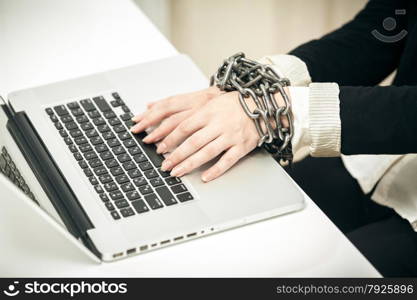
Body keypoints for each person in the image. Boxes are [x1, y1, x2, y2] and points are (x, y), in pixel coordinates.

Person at [131, 0, 417, 277]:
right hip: (382, 159)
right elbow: (381, 32)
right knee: (236, 232)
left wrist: (280, 110)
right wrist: (258, 83)